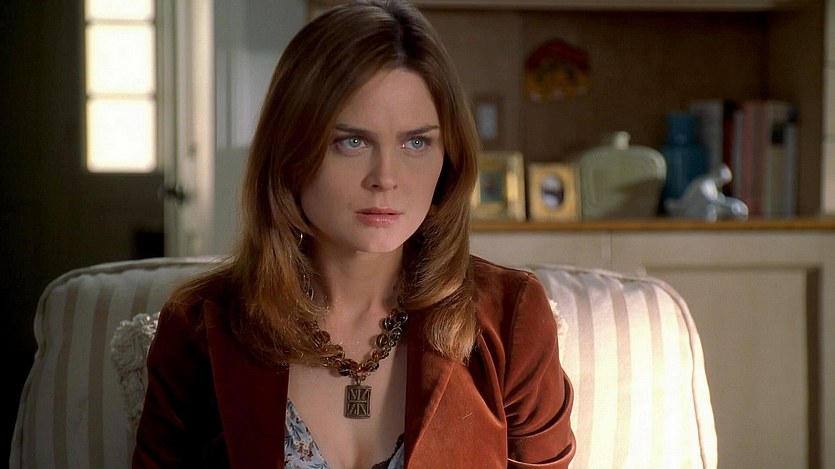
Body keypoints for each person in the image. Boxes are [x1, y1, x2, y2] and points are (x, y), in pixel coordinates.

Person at [132, 1, 575, 467]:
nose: (386, 177)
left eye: (416, 142)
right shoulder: (200, 326)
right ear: (291, 153)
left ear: (448, 158)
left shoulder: (511, 318)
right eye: (352, 141)